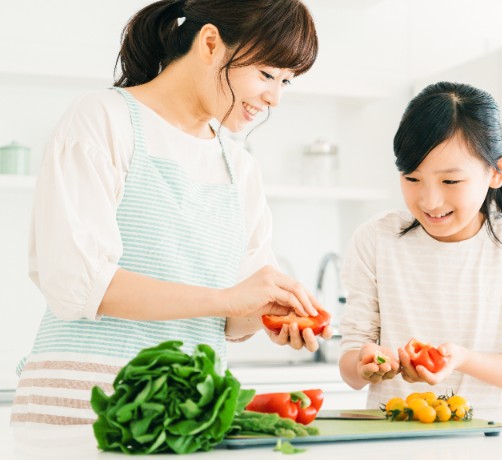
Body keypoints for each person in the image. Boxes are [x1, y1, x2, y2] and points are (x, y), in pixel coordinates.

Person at [12, 0, 331, 425]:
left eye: (286, 82)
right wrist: (228, 299)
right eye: (267, 74)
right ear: (211, 42)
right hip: (86, 407)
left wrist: (266, 315)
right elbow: (77, 282)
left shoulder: (241, 168)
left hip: (186, 416)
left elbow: (231, 318)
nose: (273, 97)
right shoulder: (103, 119)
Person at [338, 81, 502, 410]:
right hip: (393, 445)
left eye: (450, 181)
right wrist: (364, 364)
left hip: (494, 446)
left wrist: (460, 359)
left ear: (497, 172)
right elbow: (351, 369)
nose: (430, 200)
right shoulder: (376, 240)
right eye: (412, 178)